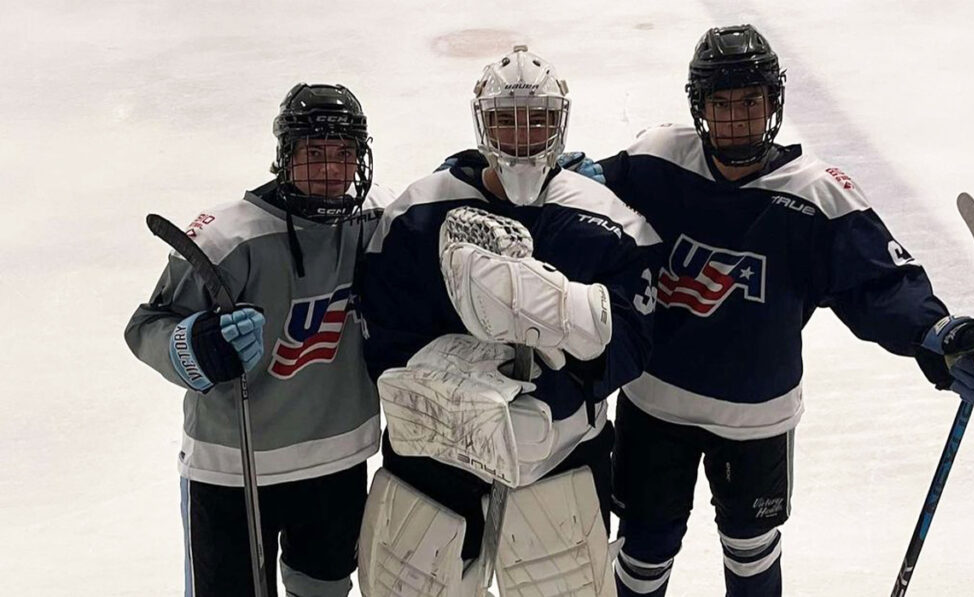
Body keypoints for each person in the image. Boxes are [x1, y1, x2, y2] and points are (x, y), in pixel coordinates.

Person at [556, 24, 974, 597]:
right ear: (698, 108)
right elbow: (584, 215)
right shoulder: (656, 161)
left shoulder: (816, 196)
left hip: (758, 416)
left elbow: (877, 286)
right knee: (643, 547)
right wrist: (553, 186)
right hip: (654, 403)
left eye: (750, 103)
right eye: (721, 105)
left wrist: (939, 332)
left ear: (773, 104)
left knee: (752, 550)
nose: (736, 120)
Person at [356, 46, 661, 596]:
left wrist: (566, 371)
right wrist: (451, 385)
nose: (521, 137)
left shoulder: (607, 218)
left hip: (560, 457)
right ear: (482, 123)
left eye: (538, 120)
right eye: (505, 121)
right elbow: (381, 328)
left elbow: (636, 339)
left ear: (559, 123)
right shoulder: (419, 211)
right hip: (433, 466)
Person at [125, 83, 394, 596]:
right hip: (232, 469)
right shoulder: (226, 238)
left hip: (337, 459)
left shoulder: (377, 219)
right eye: (314, 154)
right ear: (285, 157)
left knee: (324, 587)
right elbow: (146, 327)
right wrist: (196, 346)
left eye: (343, 155)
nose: (330, 171)